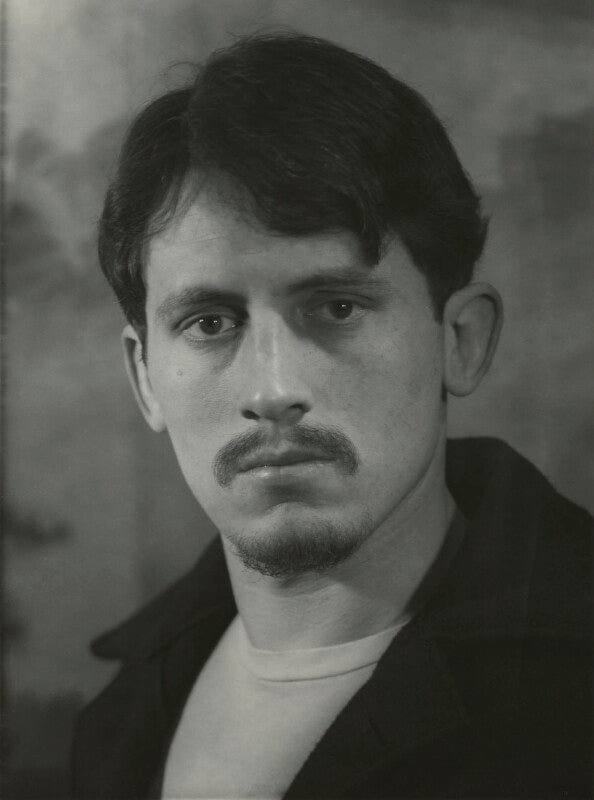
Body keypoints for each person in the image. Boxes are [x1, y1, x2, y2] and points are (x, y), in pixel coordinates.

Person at [71, 33, 592, 799]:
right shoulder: (120, 718)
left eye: (336, 308)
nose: (272, 388)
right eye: (210, 322)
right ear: (145, 377)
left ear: (460, 341)